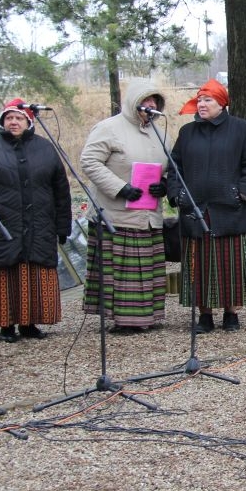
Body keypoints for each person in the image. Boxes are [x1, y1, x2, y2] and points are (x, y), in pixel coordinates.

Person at [0, 99, 72, 342]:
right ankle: (6, 327)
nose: (13, 122)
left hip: (40, 224)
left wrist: (62, 226)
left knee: (34, 272)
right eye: (8, 118)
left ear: (29, 121)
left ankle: (29, 324)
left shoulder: (45, 148)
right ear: (2, 122)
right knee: (6, 274)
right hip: (1, 226)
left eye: (18, 118)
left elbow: (60, 189)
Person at [167, 78, 246, 333]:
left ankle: (231, 314)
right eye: (199, 100)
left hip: (231, 209)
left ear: (221, 103)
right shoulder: (187, 133)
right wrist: (177, 196)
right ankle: (204, 316)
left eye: (207, 100)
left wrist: (242, 193)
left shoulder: (242, 129)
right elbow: (175, 167)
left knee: (230, 265)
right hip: (195, 209)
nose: (202, 104)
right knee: (200, 266)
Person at [80, 79, 170, 332]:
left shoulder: (161, 134)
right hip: (117, 213)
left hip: (148, 212)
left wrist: (163, 185)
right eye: (145, 100)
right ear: (133, 101)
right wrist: (120, 188)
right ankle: (122, 320)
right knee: (121, 270)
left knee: (147, 270)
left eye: (154, 101)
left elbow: (169, 168)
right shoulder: (109, 128)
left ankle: (146, 318)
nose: (150, 105)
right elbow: (89, 161)